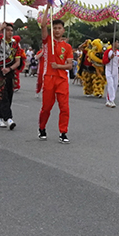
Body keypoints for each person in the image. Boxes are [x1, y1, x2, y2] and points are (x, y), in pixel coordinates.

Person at [38, 8, 74, 143]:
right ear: (52, 30)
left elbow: (70, 65)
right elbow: (42, 25)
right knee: (46, 107)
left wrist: (58, 66)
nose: (57, 30)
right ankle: (42, 128)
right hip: (49, 78)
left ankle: (63, 132)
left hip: (62, 79)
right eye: (55, 28)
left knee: (64, 107)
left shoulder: (68, 47)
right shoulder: (47, 42)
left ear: (63, 30)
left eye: (59, 28)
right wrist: (48, 7)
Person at [0, 22, 20, 130]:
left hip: (10, 72)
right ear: (3, 32)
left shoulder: (15, 45)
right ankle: (9, 119)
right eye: (7, 30)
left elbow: (18, 62)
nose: (10, 33)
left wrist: (10, 68)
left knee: (9, 96)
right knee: (2, 95)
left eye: (11, 31)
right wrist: (0, 28)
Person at [103, 40, 119, 107]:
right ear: (112, 43)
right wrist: (109, 58)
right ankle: (111, 100)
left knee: (115, 86)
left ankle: (108, 100)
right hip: (108, 69)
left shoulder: (118, 52)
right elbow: (104, 61)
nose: (117, 44)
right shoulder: (108, 51)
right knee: (110, 84)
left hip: (115, 70)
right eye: (116, 42)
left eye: (118, 42)